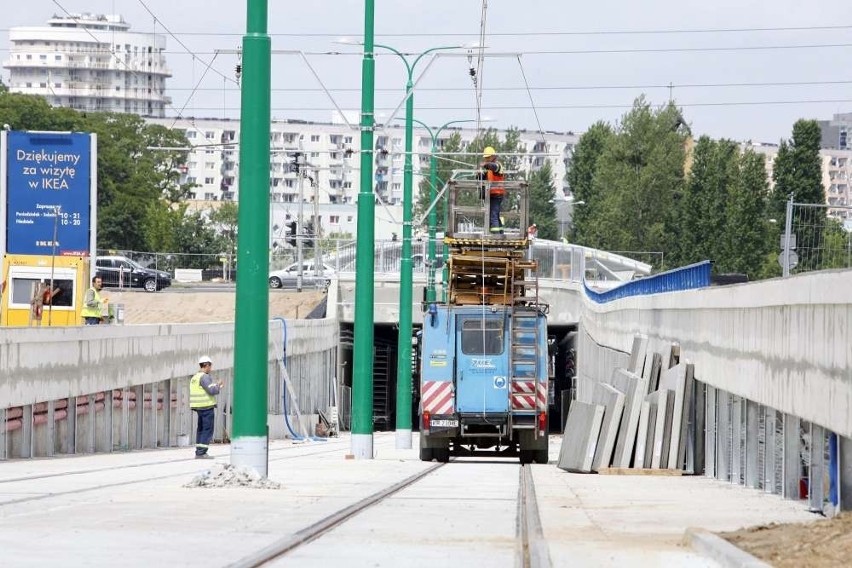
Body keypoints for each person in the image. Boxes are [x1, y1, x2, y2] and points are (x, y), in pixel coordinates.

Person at [190, 355, 224, 459]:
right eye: (210, 366)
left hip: (198, 407)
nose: (211, 368)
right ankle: (201, 453)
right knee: (207, 429)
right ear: (206, 365)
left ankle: (199, 451)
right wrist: (218, 386)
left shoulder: (195, 377)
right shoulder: (204, 377)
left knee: (200, 429)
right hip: (206, 407)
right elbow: (212, 390)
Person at [479, 146, 505, 234]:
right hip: (490, 195)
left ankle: (496, 236)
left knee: (493, 215)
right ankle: (500, 234)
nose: (486, 159)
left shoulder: (498, 165)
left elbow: (494, 167)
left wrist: (485, 165)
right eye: (485, 158)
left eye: (488, 157)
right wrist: (480, 173)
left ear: (493, 156)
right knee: (494, 215)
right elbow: (481, 179)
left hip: (497, 194)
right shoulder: (488, 169)